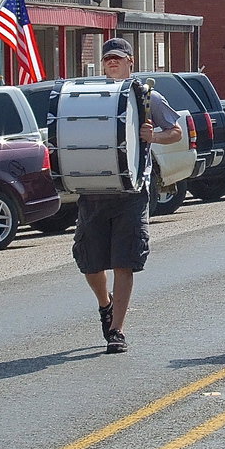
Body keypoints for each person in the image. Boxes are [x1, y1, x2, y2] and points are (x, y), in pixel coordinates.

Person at [74, 38, 182, 354]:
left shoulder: (146, 97)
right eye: (107, 59)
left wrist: (155, 136)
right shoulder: (91, 95)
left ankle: (117, 330)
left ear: (130, 62)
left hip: (133, 190)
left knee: (125, 261)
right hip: (94, 190)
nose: (111, 63)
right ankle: (105, 304)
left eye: (117, 59)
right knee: (90, 265)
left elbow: (175, 129)